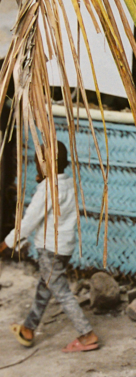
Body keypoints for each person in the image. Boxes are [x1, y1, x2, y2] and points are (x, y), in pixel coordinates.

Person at [0, 140, 99, 353]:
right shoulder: (67, 184)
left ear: (46, 165)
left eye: (37, 162)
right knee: (45, 287)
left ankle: (86, 334)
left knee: (60, 291)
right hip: (64, 247)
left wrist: (7, 242)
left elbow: (29, 221)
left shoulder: (48, 189)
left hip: (50, 248)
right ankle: (28, 328)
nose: (35, 166)